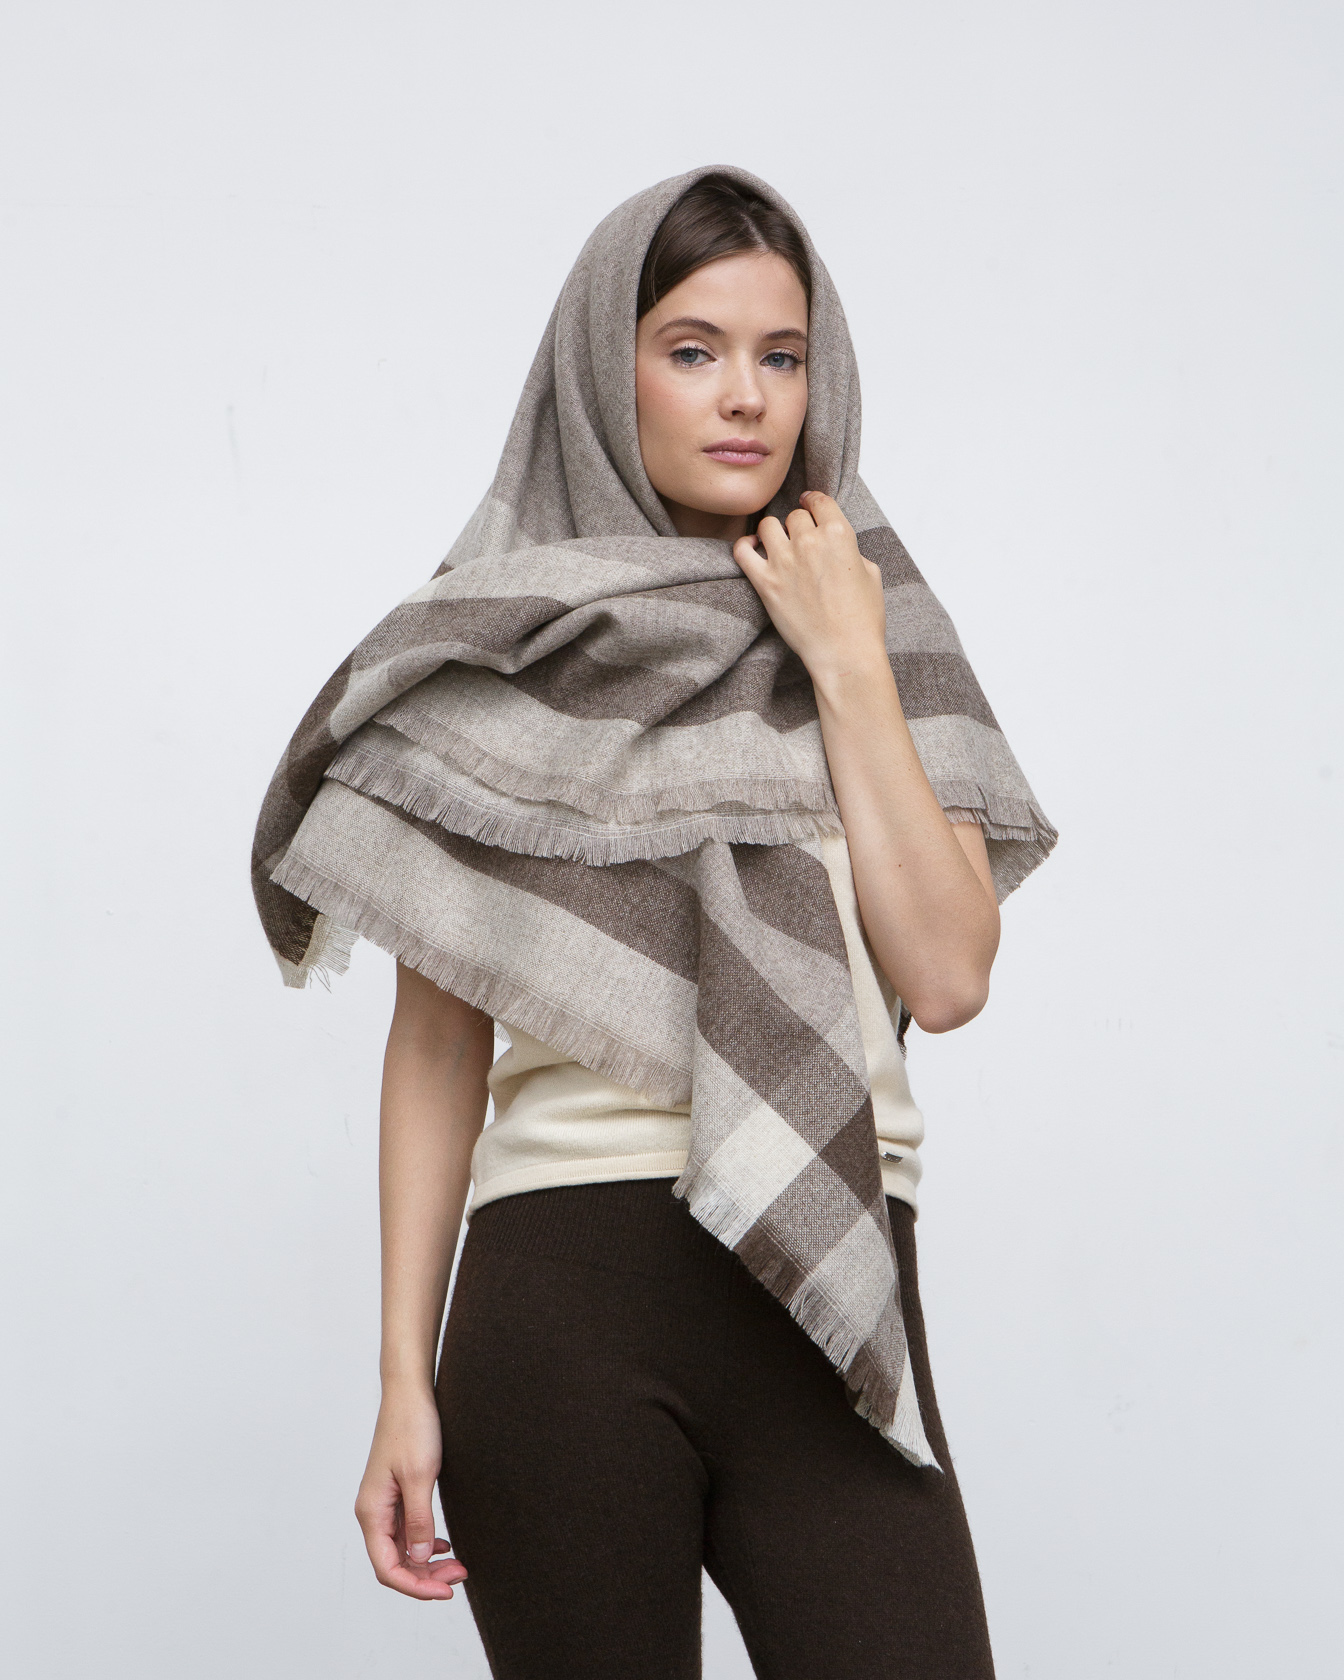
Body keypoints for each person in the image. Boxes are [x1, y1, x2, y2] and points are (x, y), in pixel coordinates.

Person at [251, 166, 1056, 1679]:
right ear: (600, 373)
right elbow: (437, 1049)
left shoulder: (878, 621)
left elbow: (948, 975)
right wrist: (402, 1380)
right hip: (566, 1306)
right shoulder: (503, 642)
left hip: (837, 1290)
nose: (746, 395)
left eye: (782, 354)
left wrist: (847, 660)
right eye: (694, 350)